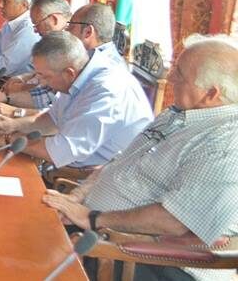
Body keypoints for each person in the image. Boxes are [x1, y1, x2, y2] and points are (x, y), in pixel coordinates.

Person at [43, 34, 238, 281]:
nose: (170, 78)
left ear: (211, 93)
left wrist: (93, 218)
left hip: (155, 261)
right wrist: (77, 197)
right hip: (101, 228)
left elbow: (174, 221)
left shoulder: (225, 143)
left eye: (180, 75)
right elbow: (119, 162)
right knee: (22, 225)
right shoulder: (176, 115)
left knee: (29, 258)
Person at [0, 31, 152, 173]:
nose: (41, 83)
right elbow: (52, 120)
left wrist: (6, 139)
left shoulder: (106, 91)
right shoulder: (80, 74)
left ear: (68, 73)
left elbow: (59, 151)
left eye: (45, 77)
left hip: (96, 178)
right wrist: (13, 125)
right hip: (73, 165)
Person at [0, 0, 71, 110]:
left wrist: (18, 92)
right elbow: (41, 75)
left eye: (37, 24)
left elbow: (50, 96)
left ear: (54, 19)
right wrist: (22, 78)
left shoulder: (70, 48)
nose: (35, 30)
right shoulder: (54, 43)